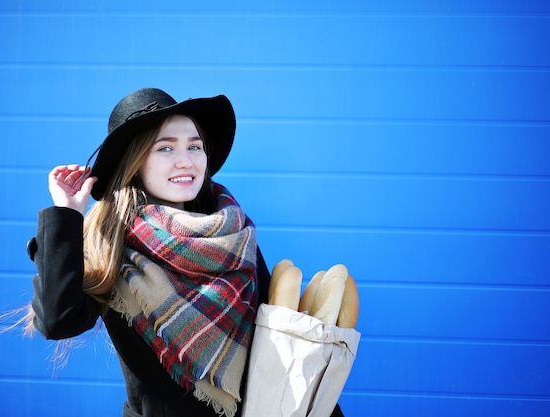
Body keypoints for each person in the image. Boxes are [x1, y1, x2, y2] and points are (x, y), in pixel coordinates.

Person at [20, 88, 346, 417]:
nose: (186, 160)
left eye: (194, 146)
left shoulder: (233, 235)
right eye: (165, 147)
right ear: (134, 163)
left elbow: (275, 339)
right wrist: (67, 214)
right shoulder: (113, 247)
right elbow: (58, 320)